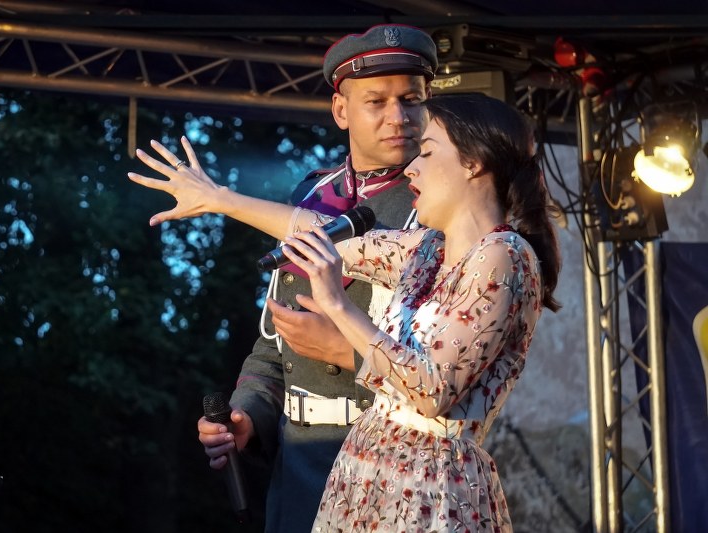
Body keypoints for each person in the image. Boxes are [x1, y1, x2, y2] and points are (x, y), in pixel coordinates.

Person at [129, 92, 561, 531]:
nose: (412, 166)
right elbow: (317, 233)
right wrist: (219, 199)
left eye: (428, 152)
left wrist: (338, 306)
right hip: (367, 473)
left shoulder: (504, 255)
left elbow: (433, 390)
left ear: (473, 163)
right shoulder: (429, 249)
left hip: (426, 487)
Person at [131, 24, 439, 532]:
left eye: (411, 100)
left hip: (392, 465)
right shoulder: (311, 196)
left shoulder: (440, 206)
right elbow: (273, 350)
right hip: (300, 470)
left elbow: (445, 375)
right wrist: (245, 416)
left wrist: (345, 351)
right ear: (341, 110)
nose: (398, 117)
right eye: (376, 101)